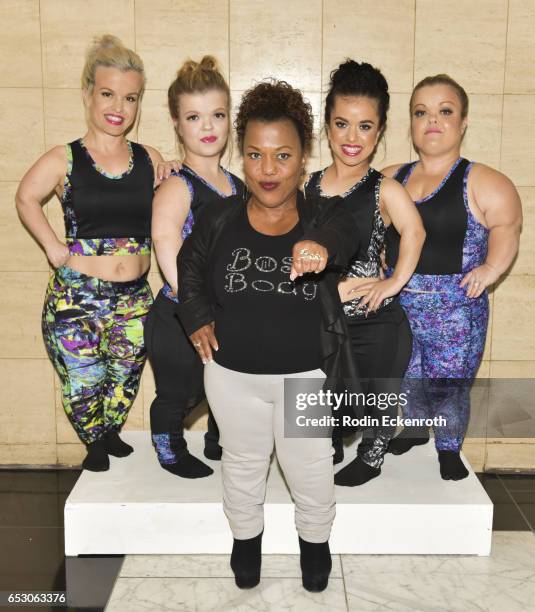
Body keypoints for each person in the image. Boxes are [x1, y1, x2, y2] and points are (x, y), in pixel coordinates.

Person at [177, 81, 358, 592]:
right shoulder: (218, 218)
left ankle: (315, 545)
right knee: (242, 464)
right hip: (232, 376)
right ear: (243, 156)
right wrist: (194, 316)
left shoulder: (324, 215)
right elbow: (188, 268)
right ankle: (245, 541)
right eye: (255, 155)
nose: (268, 168)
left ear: (304, 157)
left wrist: (320, 244)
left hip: (305, 374)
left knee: (309, 468)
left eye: (283, 155)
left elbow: (346, 234)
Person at [16, 35, 166, 472]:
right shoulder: (64, 158)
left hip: (137, 297)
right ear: (87, 94)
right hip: (77, 298)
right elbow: (26, 197)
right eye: (107, 94)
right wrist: (52, 247)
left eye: (130, 97)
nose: (118, 105)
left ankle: (109, 432)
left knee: (126, 375)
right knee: (84, 381)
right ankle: (95, 442)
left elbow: (172, 209)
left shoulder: (148, 157)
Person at [383, 74, 522, 480]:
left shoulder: (485, 180)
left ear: (462, 122)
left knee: (447, 383)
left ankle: (448, 448)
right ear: (410, 123)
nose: (432, 120)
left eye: (445, 112)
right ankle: (412, 428)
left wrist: (491, 269)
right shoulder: (392, 176)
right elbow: (359, 218)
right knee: (406, 374)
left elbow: (507, 227)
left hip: (455, 309)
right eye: (421, 112)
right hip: (400, 301)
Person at [305, 60, 425, 486]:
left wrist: (393, 282)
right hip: (321, 320)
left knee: (377, 396)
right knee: (319, 402)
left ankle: (372, 456)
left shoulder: (384, 189)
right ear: (327, 125)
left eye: (365, 126)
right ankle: (331, 442)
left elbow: (415, 231)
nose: (352, 138)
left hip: (376, 321)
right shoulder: (308, 187)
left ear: (379, 130)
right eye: (341, 124)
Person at [145, 56, 246, 478]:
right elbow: (166, 244)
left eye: (217, 115)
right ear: (177, 123)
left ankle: (217, 441)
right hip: (179, 314)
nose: (207, 127)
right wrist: (195, 310)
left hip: (222, 310)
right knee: (179, 391)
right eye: (194, 117)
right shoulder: (176, 184)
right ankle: (169, 451)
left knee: (226, 385)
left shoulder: (237, 185)